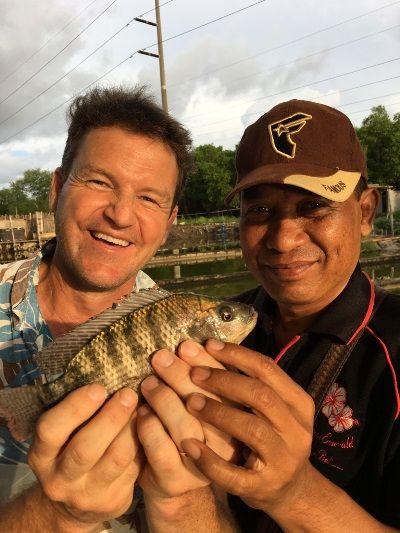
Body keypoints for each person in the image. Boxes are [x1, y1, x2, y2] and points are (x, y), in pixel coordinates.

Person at [0, 86, 238, 532]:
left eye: (149, 198)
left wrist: (184, 498)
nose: (121, 215)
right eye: (99, 181)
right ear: (56, 188)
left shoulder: (204, 359)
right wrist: (57, 516)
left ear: (169, 222)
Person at [161, 99, 400, 531]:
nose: (284, 239)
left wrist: (294, 494)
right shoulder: (220, 326)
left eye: (313, 207)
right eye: (261, 210)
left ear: (365, 211)